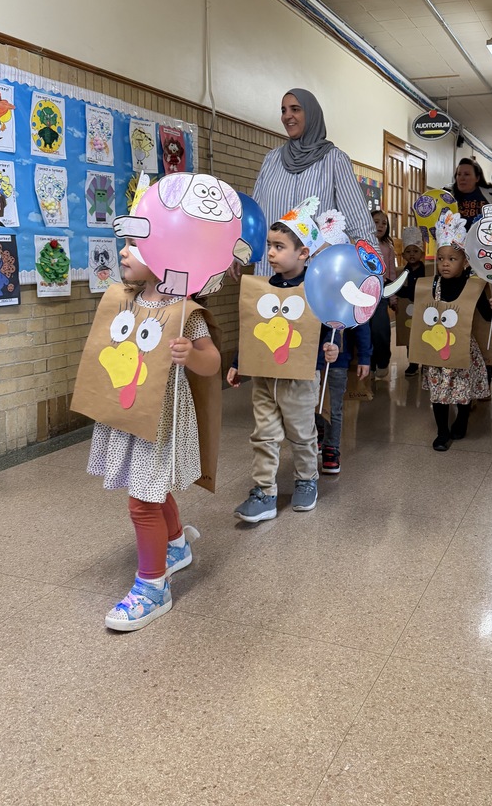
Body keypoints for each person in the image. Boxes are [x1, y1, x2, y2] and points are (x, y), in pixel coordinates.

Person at [82, 240, 221, 632]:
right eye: (124, 243)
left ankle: (153, 588)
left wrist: (189, 354)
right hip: (127, 414)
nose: (122, 252)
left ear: (165, 256)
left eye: (134, 245)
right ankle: (175, 544)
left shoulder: (184, 312)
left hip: (159, 422)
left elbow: (211, 361)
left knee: (143, 502)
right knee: (151, 486)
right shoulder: (122, 299)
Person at [227, 207, 340, 523]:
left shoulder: (316, 289)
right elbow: (252, 329)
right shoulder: (263, 289)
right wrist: (238, 363)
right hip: (264, 376)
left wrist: (333, 349)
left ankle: (307, 480)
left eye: (280, 247)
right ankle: (264, 491)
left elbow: (332, 326)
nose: (272, 253)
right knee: (263, 433)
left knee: (302, 434)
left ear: (303, 253)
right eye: (270, 245)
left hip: (301, 378)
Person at [244, 89, 377, 277]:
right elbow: (256, 215)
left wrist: (375, 269)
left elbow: (359, 221)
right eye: (283, 110)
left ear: (311, 114)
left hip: (316, 274)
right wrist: (239, 252)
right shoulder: (272, 159)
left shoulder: (334, 160)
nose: (287, 116)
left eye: (295, 109)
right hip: (271, 271)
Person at [422, 212, 492, 451]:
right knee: (438, 392)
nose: (445, 263)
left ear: (465, 262)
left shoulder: (473, 285)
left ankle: (462, 418)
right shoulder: (432, 284)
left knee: (463, 391)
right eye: (441, 258)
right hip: (437, 350)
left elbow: (486, 313)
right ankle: (442, 431)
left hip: (463, 348)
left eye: (452, 258)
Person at [316, 324, 371, 474]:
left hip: (338, 358)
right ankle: (320, 432)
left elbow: (360, 323)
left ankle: (331, 448)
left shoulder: (347, 300)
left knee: (334, 405)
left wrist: (364, 357)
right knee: (311, 402)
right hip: (308, 356)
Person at [369, 209, 396, 379]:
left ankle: (383, 361)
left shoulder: (388, 247)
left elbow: (392, 273)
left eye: (384, 223)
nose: (380, 226)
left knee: (381, 329)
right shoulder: (361, 243)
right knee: (366, 331)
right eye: (376, 221)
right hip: (363, 292)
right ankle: (369, 365)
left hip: (382, 291)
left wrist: (393, 297)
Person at [396, 226, 426, 377]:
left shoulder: (426, 271)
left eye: (415, 251)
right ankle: (412, 363)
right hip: (409, 311)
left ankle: (427, 362)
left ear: (422, 253)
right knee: (410, 337)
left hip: (424, 310)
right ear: (403, 255)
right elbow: (400, 289)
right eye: (408, 251)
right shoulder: (403, 272)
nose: (412, 254)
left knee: (426, 335)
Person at [450, 158, 490, 224]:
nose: (461, 178)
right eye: (459, 174)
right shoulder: (447, 193)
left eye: (467, 174)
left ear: (477, 178)